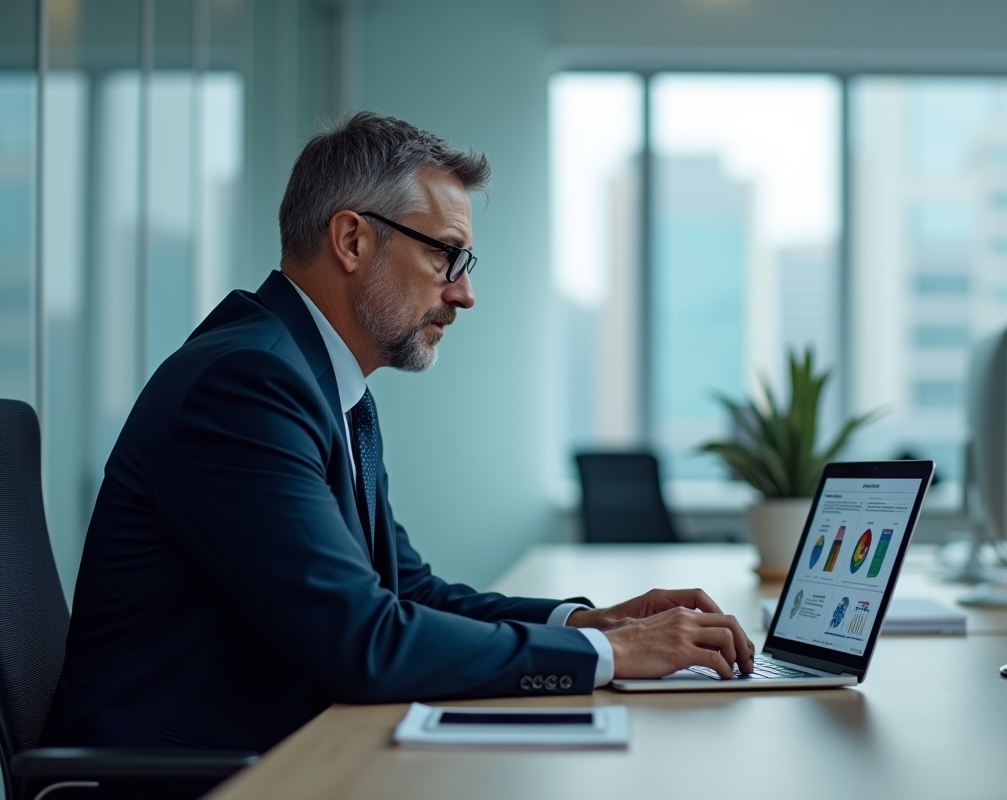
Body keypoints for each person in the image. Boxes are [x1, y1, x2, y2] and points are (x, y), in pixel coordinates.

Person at [42, 112, 754, 760]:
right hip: (187, 777)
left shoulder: (326, 385)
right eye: (446, 255)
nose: (464, 292)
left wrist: (589, 623)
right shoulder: (249, 386)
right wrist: (609, 654)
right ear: (352, 239)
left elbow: (405, 592)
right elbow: (365, 642)